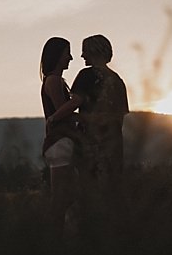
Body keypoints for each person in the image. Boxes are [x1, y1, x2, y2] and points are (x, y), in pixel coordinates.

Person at [47, 34, 129, 182]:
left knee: (90, 190)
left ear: (93, 51)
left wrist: (54, 117)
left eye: (84, 50)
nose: (82, 55)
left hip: (91, 144)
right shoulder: (118, 80)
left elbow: (75, 102)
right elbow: (120, 117)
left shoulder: (87, 75)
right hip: (114, 145)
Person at [39, 37, 79, 237]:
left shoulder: (57, 80)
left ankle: (60, 237)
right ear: (57, 55)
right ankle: (53, 240)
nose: (71, 58)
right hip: (60, 141)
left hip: (61, 141)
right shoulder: (54, 81)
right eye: (67, 53)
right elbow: (62, 110)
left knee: (66, 196)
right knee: (60, 198)